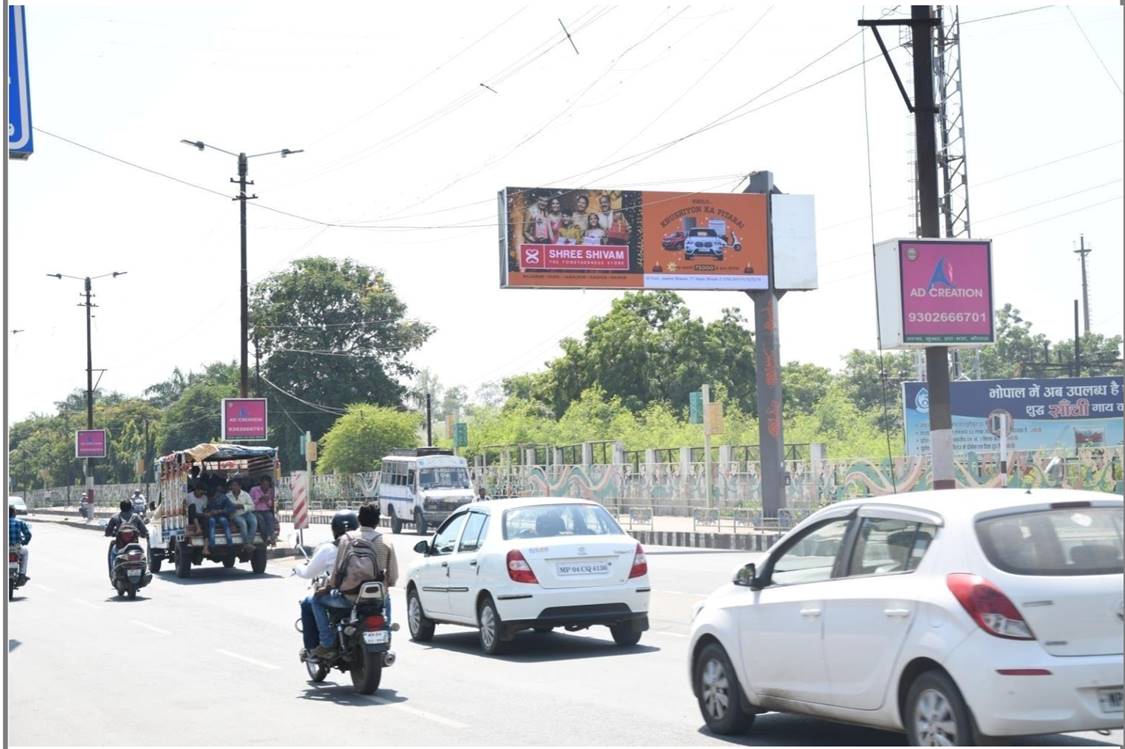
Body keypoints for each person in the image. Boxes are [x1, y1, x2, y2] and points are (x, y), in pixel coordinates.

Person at [309, 503, 398, 660]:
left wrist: (327, 588)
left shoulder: (346, 539)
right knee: (387, 597)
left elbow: (337, 573)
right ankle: (387, 636)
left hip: (349, 599)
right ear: (377, 522)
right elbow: (393, 578)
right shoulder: (386, 542)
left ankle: (327, 643)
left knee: (316, 600)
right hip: (377, 600)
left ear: (359, 520)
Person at [294, 511, 358, 658]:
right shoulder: (366, 544)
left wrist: (297, 567)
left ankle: (326, 643)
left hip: (345, 597)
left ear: (334, 529)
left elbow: (309, 573)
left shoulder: (330, 549)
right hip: (366, 598)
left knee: (312, 601)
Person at [104, 499, 148, 579]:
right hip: (135, 547)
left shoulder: (115, 517)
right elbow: (144, 532)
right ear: (131, 507)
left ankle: (112, 573)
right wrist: (141, 534)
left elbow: (107, 533)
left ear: (120, 507)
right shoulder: (136, 517)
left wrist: (113, 533)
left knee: (113, 554)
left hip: (120, 547)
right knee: (142, 556)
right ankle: (145, 572)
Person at [227, 478, 257, 552]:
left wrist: (243, 506)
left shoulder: (245, 494)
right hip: (235, 515)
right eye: (233, 485)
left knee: (254, 521)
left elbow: (252, 506)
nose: (234, 487)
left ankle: (249, 543)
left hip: (246, 513)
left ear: (240, 486)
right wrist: (233, 507)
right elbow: (225, 508)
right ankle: (246, 544)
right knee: (243, 523)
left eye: (236, 485)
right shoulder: (227, 496)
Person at [250, 475, 278, 546]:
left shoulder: (270, 491)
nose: (265, 486)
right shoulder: (254, 490)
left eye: (267, 485)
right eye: (264, 484)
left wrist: (267, 500)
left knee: (270, 518)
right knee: (261, 521)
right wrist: (259, 499)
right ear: (261, 483)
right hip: (256, 511)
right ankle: (265, 538)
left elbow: (270, 505)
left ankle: (272, 537)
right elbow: (250, 503)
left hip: (266, 510)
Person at [185, 483, 210, 554]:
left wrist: (206, 513)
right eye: (201, 492)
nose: (201, 494)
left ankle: (205, 548)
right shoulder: (189, 496)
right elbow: (187, 510)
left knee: (206, 522)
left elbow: (204, 509)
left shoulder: (204, 498)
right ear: (196, 490)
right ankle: (198, 528)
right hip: (190, 516)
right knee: (192, 506)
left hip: (200, 516)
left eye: (203, 493)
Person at [9, 505, 31, 582]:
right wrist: (25, 542)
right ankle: (22, 574)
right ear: (14, 513)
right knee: (25, 552)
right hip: (16, 548)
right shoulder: (20, 522)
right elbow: (28, 535)